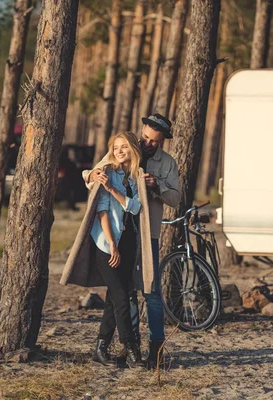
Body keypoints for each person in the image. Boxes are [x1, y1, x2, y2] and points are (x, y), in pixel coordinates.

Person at [84, 113, 180, 369]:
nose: (148, 143)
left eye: (154, 141)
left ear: (162, 142)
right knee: (123, 292)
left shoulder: (167, 163)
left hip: (147, 234)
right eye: (146, 137)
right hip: (118, 233)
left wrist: (156, 186)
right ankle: (130, 347)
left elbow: (175, 199)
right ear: (142, 131)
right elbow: (94, 171)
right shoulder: (125, 148)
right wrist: (92, 176)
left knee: (151, 292)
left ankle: (155, 350)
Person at [60, 131, 155, 369]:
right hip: (106, 243)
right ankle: (132, 349)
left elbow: (135, 208)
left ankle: (100, 347)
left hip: (129, 242)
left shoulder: (136, 176)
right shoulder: (107, 172)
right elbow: (102, 210)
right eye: (116, 147)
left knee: (114, 299)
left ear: (133, 149)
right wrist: (111, 244)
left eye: (124, 147)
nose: (120, 151)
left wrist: (115, 191)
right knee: (122, 297)